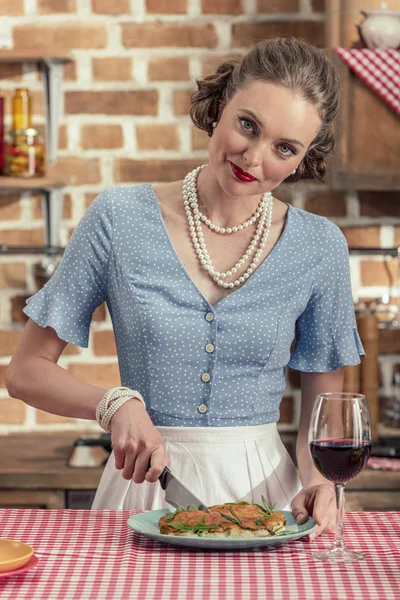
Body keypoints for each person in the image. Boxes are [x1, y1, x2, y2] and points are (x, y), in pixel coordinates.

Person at [5, 37, 364, 541]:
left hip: (268, 503)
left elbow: (322, 414)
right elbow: (25, 373)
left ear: (303, 158)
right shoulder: (118, 220)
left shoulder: (319, 247)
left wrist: (319, 482)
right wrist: (115, 403)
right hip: (146, 487)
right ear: (220, 107)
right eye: (247, 124)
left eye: (285, 148)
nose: (254, 156)